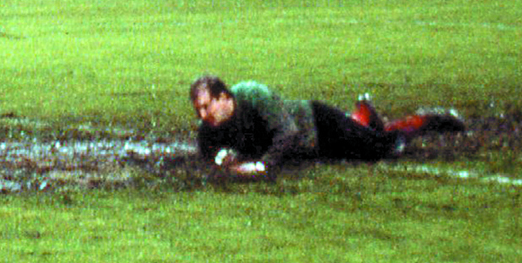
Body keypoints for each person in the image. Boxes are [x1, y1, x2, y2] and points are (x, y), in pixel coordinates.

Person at [189, 75, 466, 178]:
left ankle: (428, 120)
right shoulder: (211, 124)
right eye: (198, 109)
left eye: (207, 106)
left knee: (385, 147)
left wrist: (263, 165)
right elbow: (206, 147)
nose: (203, 115)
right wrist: (221, 156)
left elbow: (288, 133)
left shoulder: (253, 95)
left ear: (225, 97)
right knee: (368, 140)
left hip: (321, 126)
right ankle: (363, 115)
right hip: (313, 148)